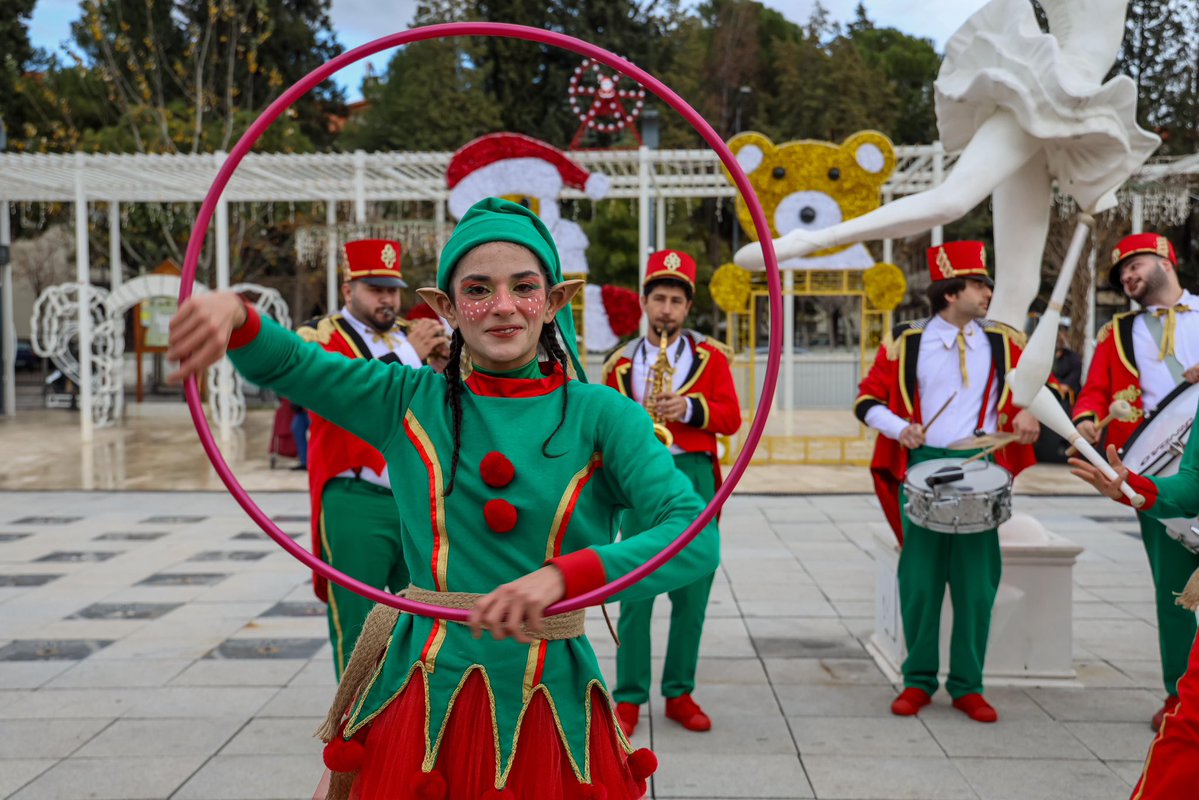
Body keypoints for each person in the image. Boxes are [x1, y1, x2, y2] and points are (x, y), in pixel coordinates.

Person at [166, 197, 718, 799]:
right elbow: (296, 364)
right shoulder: (407, 399)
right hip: (422, 690)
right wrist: (236, 314)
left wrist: (568, 578)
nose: (503, 306)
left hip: (550, 700)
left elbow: (693, 535)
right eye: (478, 290)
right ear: (447, 308)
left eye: (524, 287)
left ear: (555, 301)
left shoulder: (603, 415)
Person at [734, 0, 1159, 332]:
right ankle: (808, 240)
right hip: (1050, 87)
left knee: (1020, 284)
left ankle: (1000, 402)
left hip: (1070, 100)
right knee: (952, 201)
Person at [853, 241, 1041, 722]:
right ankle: (917, 680)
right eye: (979, 284)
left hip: (982, 462)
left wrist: (1026, 415)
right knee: (919, 582)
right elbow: (867, 399)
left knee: (977, 585)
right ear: (949, 292)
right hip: (922, 464)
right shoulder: (906, 341)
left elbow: (1037, 389)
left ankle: (967, 685)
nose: (987, 292)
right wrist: (901, 428)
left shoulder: (1004, 341)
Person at [601, 249, 741, 737]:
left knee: (692, 590)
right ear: (644, 301)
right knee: (635, 590)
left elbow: (732, 417)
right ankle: (629, 696)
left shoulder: (713, 357)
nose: (666, 309)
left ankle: (680, 691)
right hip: (641, 479)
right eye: (659, 298)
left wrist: (689, 408)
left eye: (676, 301)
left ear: (688, 307)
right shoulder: (620, 362)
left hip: (694, 475)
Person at [297, 239, 450, 678]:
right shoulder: (318, 336)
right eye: (375, 289)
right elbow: (338, 393)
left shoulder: (409, 331)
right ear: (348, 291)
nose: (388, 299)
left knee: (430, 611)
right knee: (359, 620)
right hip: (353, 494)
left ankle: (414, 717)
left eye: (393, 289)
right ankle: (354, 730)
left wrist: (445, 364)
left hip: (414, 496)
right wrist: (409, 356)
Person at [1072, 232, 1199, 731]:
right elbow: (1095, 390)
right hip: (1153, 474)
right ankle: (1179, 696)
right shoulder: (1117, 334)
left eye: (1135, 264)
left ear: (1166, 260)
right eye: (1121, 273)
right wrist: (1084, 420)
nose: (1127, 277)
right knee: (1173, 594)